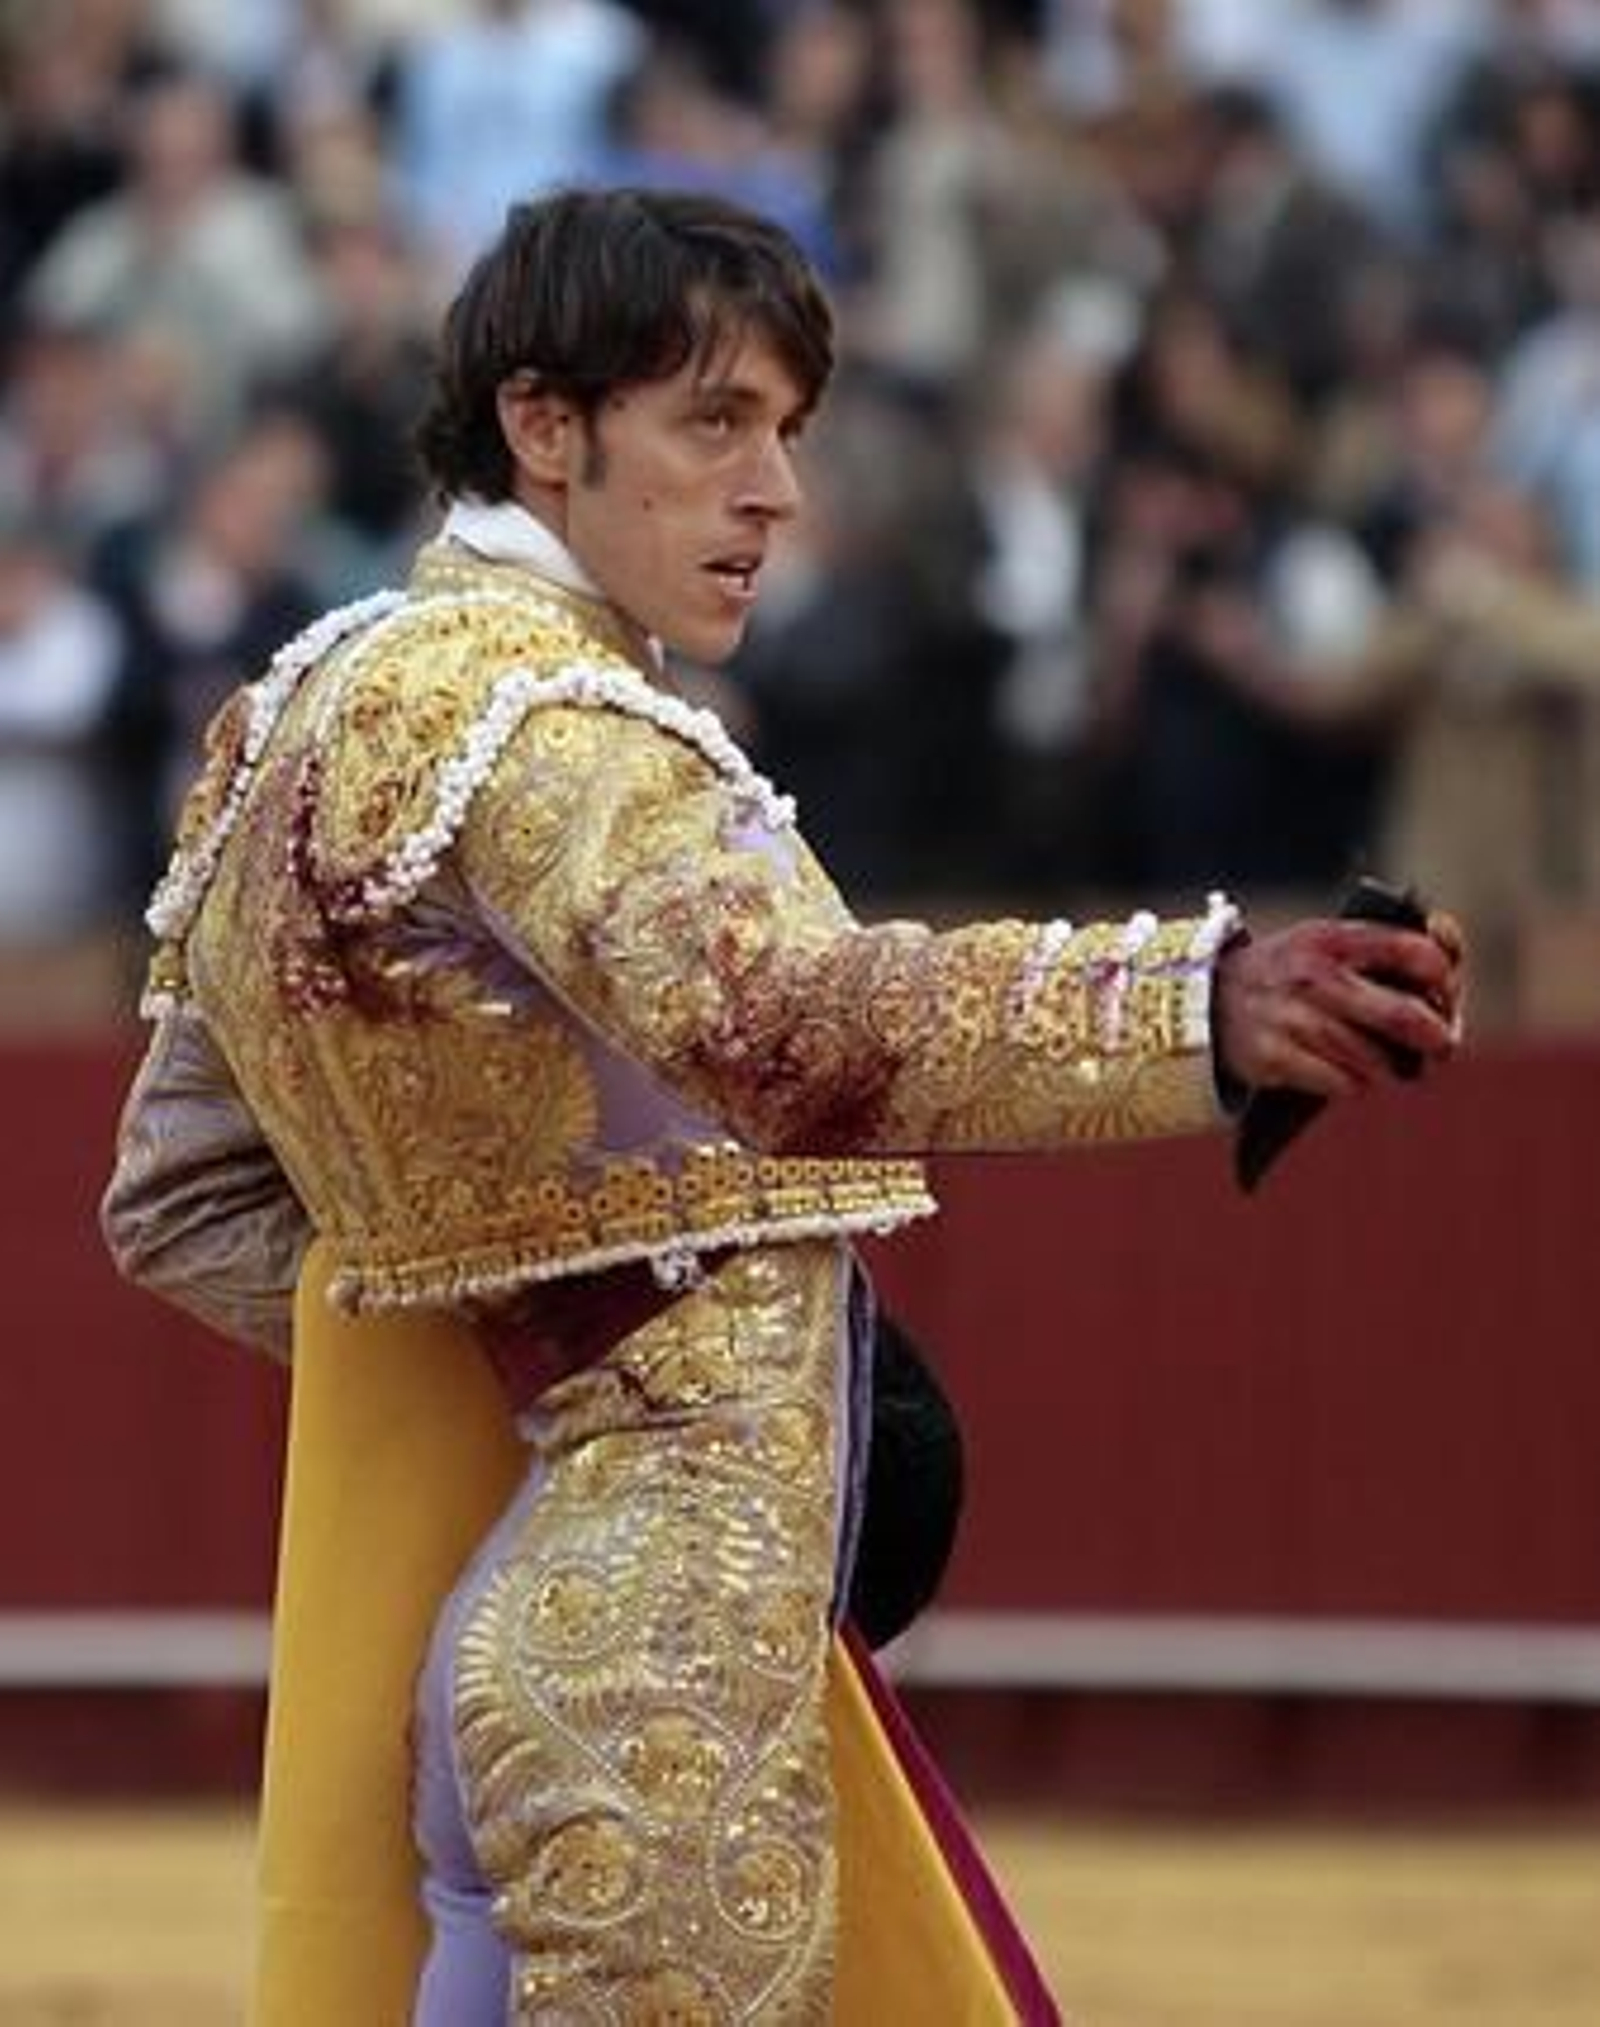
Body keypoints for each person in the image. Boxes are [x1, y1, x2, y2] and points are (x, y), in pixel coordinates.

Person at [101, 186, 1464, 2023]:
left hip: (488, 1632)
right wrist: (1197, 1000)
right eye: (715, 423)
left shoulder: (299, 716)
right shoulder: (555, 729)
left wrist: (526, 1329)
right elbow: (789, 1028)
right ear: (545, 425)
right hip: (655, 1655)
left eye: (791, 433)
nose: (776, 493)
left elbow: (180, 1197)